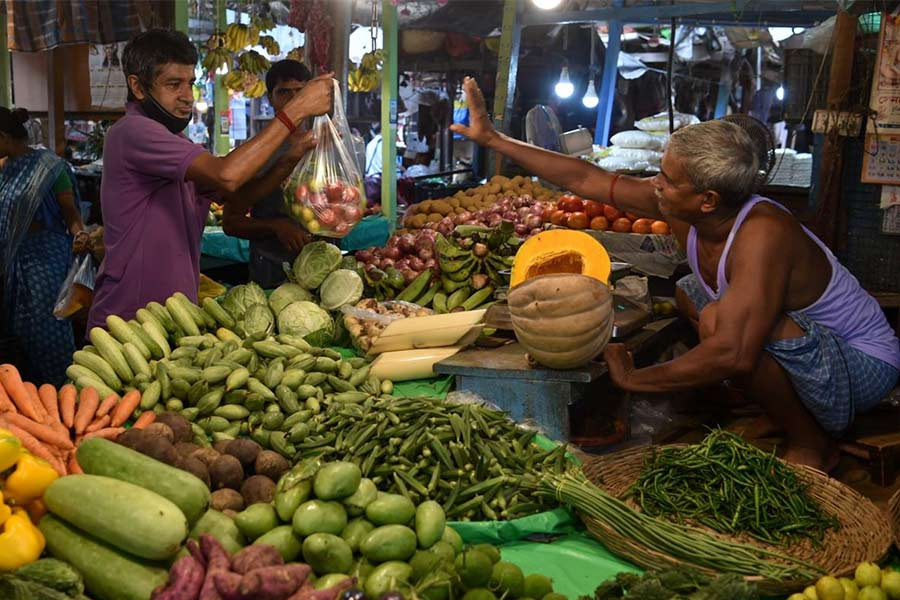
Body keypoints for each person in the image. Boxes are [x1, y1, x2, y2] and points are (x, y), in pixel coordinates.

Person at [450, 77, 900, 471]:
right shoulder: (690, 207)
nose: (655, 184)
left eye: (666, 179)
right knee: (693, 296)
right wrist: (494, 140)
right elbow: (585, 180)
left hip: (863, 363)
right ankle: (777, 404)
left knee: (726, 326)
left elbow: (734, 354)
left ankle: (813, 443)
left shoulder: (764, 234)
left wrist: (634, 379)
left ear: (706, 199)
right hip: (810, 347)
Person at [87, 31, 333, 331]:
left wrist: (288, 159)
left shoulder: (174, 140)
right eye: (173, 84)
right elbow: (226, 175)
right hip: (131, 319)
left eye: (190, 83)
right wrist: (296, 110)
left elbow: (238, 198)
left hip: (173, 317)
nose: (187, 96)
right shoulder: (132, 132)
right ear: (138, 86)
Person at [0, 108, 87, 385]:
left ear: (3, 137)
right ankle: (31, 394)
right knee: (18, 332)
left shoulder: (50, 167)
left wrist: (81, 238)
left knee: (48, 330)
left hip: (46, 261)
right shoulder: (4, 168)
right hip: (13, 260)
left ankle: (63, 389)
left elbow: (71, 215)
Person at [221, 59, 318, 289]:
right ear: (270, 98)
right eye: (285, 92)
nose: (295, 100)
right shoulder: (257, 153)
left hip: (322, 271)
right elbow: (231, 223)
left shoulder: (325, 146)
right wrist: (276, 227)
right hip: (272, 274)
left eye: (301, 92)